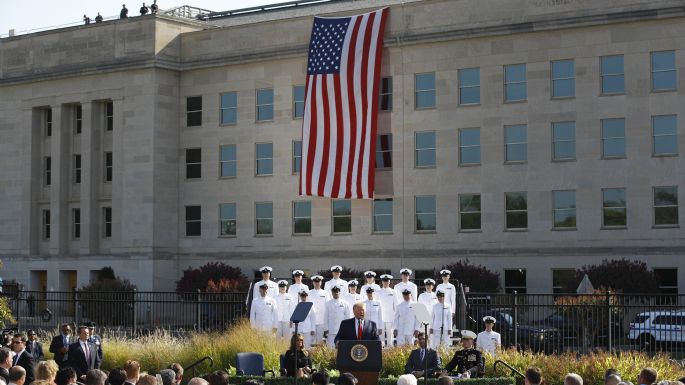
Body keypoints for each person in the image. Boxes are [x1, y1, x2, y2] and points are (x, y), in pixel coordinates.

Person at [308, 276, 330, 345]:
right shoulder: (309, 293)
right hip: (311, 320)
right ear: (313, 283)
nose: (317, 283)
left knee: (320, 339)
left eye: (318, 282)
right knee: (311, 339)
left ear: (321, 283)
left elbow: (328, 306)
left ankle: (318, 354)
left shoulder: (325, 293)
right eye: (315, 282)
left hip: (321, 320)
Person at [378, 274, 398, 347]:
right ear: (382, 282)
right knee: (381, 336)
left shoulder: (393, 292)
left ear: (389, 282)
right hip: (381, 317)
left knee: (390, 335)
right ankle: (381, 351)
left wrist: (396, 317)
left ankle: (390, 351)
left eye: (387, 281)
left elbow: (396, 306)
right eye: (384, 281)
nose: (385, 282)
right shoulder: (378, 292)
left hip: (390, 316)